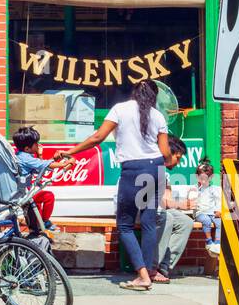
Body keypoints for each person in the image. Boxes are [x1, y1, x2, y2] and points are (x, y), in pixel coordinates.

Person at [55, 80, 170, 291]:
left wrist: (71, 151)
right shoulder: (158, 115)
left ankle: (142, 275)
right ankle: (150, 271)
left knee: (125, 225)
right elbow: (165, 152)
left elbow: (97, 137)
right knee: (148, 222)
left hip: (133, 169)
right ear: (153, 96)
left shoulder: (120, 109)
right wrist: (168, 162)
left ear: (134, 92)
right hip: (156, 168)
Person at [154, 136, 193, 281]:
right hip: (137, 209)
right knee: (166, 217)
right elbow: (165, 202)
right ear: (168, 152)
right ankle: (152, 267)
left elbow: (168, 198)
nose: (179, 162)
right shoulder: (152, 167)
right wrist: (184, 204)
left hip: (156, 209)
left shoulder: (164, 173)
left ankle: (164, 266)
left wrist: (187, 203)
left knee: (185, 222)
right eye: (178, 157)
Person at [12, 126, 56, 231]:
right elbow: (43, 165)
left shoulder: (22, 155)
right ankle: (42, 223)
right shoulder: (25, 158)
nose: (38, 145)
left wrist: (40, 155)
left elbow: (40, 168)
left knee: (47, 196)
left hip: (28, 194)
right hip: (25, 196)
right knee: (46, 197)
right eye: (36, 143)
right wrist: (64, 165)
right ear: (27, 148)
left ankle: (43, 222)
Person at [194, 158, 222, 255]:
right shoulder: (196, 189)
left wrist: (218, 211)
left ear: (211, 178)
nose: (204, 181)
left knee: (219, 222)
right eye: (201, 179)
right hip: (200, 213)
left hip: (212, 212)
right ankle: (209, 242)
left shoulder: (214, 189)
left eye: (207, 178)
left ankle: (217, 243)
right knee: (206, 221)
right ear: (197, 177)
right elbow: (193, 201)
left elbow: (218, 200)